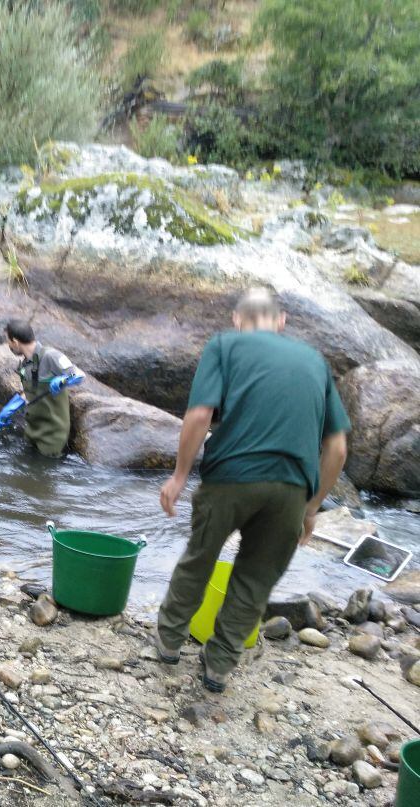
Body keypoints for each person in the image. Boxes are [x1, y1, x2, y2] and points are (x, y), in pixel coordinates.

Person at [155, 287, 350, 693]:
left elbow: (200, 415)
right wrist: (311, 508)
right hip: (292, 489)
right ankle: (218, 668)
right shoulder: (315, 361)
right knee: (254, 581)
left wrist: (178, 476)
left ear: (237, 319)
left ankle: (169, 644)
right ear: (281, 321)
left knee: (199, 559)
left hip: (230, 477)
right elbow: (337, 448)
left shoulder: (225, 346)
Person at [3, 319, 79, 457]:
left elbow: (78, 375)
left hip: (52, 436)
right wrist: (12, 406)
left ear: (15, 342)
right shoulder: (25, 364)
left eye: (8, 341)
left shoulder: (51, 356)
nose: (8, 345)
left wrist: (63, 379)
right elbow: (33, 391)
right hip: (32, 429)